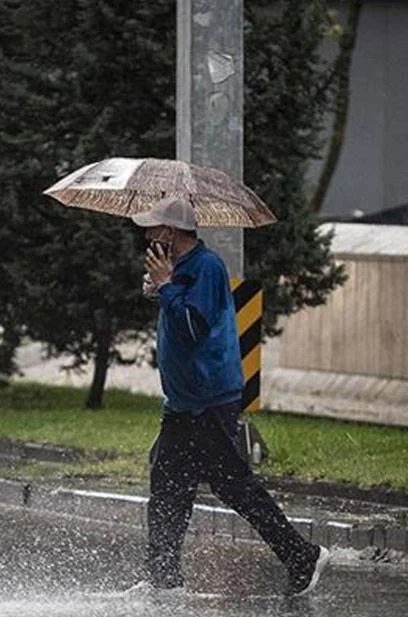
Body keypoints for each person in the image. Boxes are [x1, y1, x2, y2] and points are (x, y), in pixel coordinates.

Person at [133, 196, 330, 596]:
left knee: (233, 485)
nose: (147, 235)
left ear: (170, 233)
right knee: (168, 486)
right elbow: (176, 312)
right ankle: (163, 578)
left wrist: (168, 286)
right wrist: (158, 287)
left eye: (153, 228)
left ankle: (302, 556)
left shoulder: (205, 268)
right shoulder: (180, 268)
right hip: (184, 402)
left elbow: (192, 327)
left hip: (209, 399)